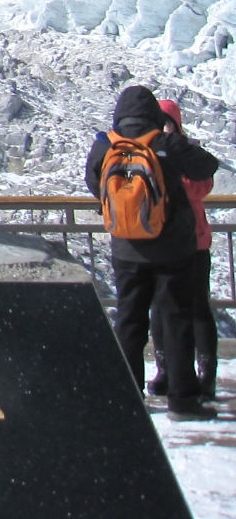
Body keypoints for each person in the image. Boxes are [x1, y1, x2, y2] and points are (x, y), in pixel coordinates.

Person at [85, 84, 218, 419]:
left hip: (126, 250)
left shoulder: (104, 146)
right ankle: (183, 401)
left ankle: (129, 397)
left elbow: (93, 182)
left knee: (129, 322)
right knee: (176, 322)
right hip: (173, 251)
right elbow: (206, 167)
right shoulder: (166, 144)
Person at [148, 98, 220, 401]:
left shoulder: (187, 151)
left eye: (168, 122)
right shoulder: (148, 149)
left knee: (198, 307)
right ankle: (165, 369)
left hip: (193, 241)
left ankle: (206, 374)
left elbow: (203, 185)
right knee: (160, 308)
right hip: (161, 242)